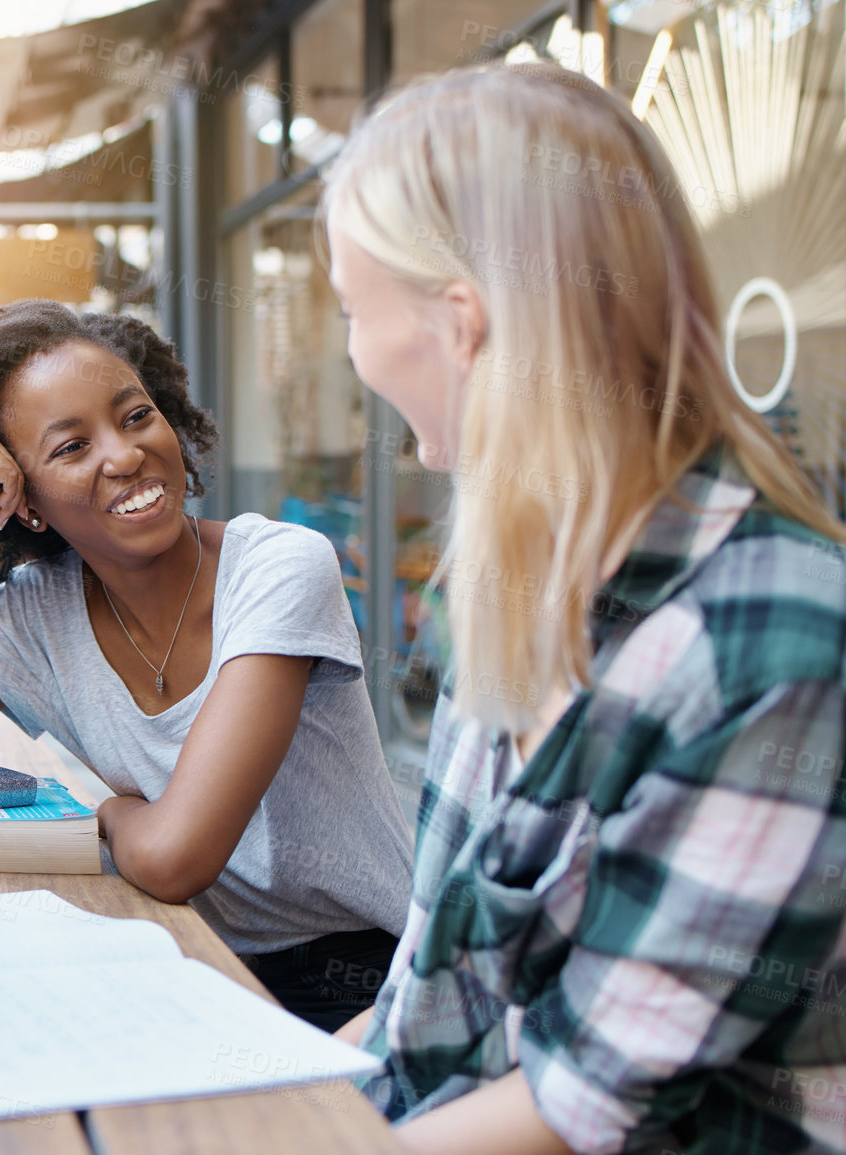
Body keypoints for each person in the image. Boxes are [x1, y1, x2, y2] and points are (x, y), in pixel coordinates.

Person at [320, 63, 846, 1153]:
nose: (352, 351)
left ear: (460, 326)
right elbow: (432, 997)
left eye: (351, 310)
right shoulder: (513, 573)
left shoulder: (775, 647)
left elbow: (579, 1108)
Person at [0, 299, 414, 1029]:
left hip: (356, 974)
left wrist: (105, 811)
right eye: (70, 447)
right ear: (23, 500)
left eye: (134, 416)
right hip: (191, 950)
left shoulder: (279, 566)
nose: (124, 453)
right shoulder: (36, 613)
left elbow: (173, 858)